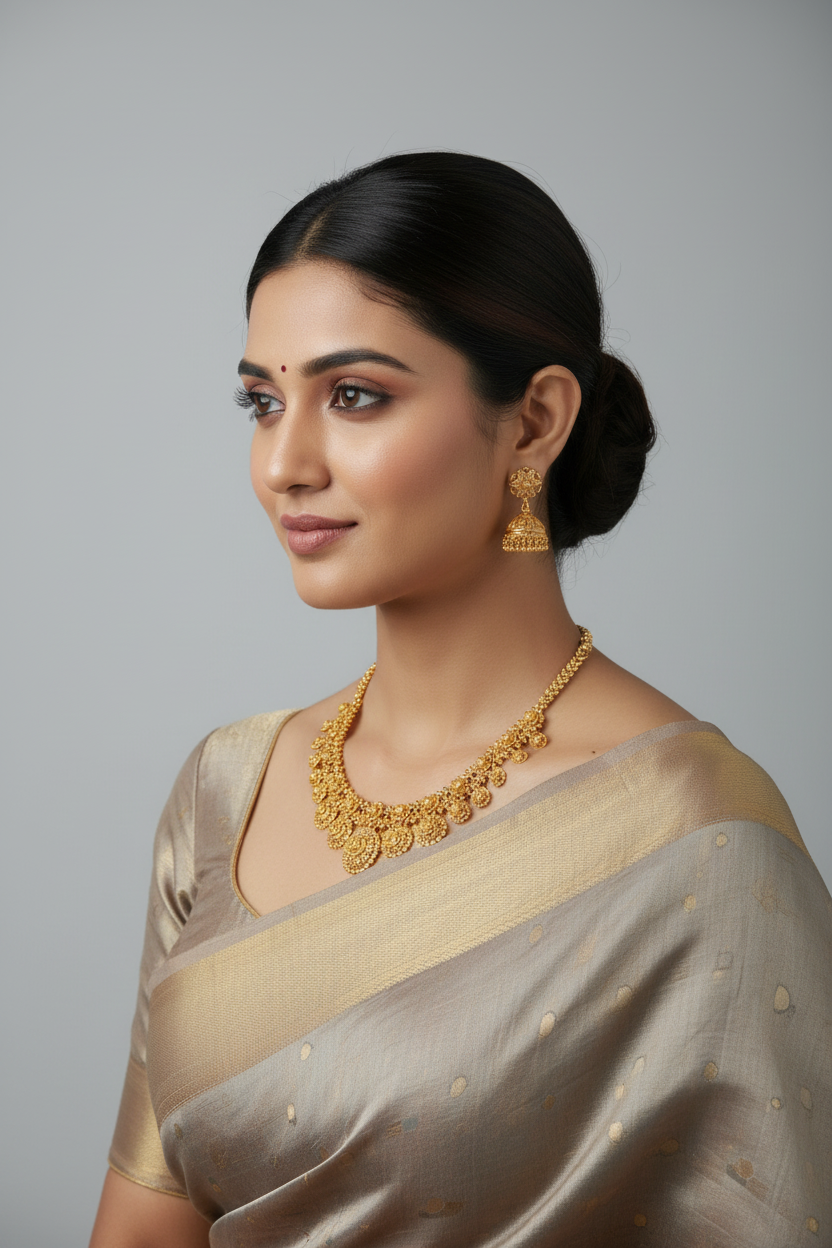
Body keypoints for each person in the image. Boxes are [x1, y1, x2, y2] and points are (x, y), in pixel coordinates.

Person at [89, 152, 831, 1247]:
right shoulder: (227, 787)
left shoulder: (700, 841)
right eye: (261, 401)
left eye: (353, 396)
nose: (284, 462)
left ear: (534, 422)